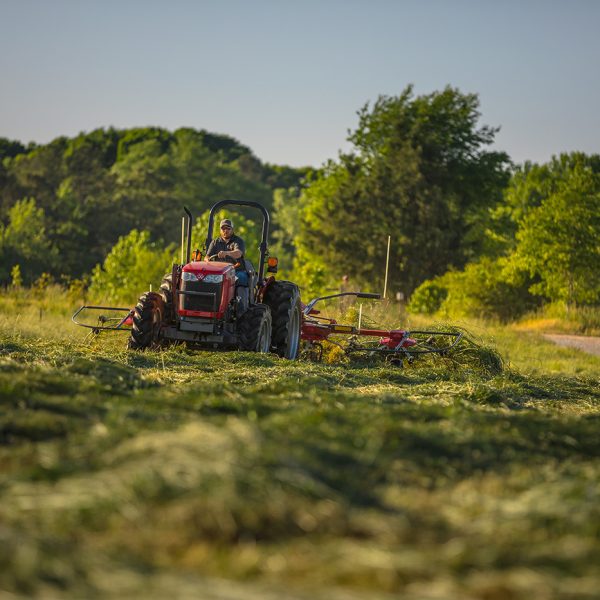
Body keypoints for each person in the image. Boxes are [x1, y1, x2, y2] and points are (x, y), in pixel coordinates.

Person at [205, 218, 250, 309]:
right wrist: (208, 261)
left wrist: (226, 253)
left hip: (236, 270)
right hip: (219, 272)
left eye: (228, 228)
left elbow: (238, 253)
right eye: (223, 228)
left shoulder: (238, 241)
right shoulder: (215, 242)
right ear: (220, 230)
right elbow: (207, 257)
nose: (225, 231)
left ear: (232, 229)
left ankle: (240, 307)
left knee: (241, 279)